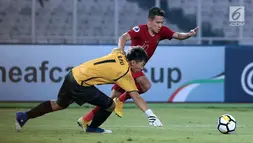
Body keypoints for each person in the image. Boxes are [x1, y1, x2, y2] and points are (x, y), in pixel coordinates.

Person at [81, 7, 198, 123]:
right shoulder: (140, 29)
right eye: (157, 22)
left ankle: (85, 119)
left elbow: (178, 36)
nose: (160, 25)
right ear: (150, 21)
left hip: (137, 68)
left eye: (161, 23)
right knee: (145, 85)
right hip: (129, 66)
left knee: (110, 100)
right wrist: (121, 52)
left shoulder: (162, 31)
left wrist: (189, 34)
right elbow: (123, 37)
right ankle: (120, 101)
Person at [15, 47, 163, 134]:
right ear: (132, 62)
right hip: (81, 84)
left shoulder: (118, 53)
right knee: (111, 105)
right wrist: (150, 115)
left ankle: (24, 116)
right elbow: (136, 96)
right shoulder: (124, 73)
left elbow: (120, 45)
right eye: (141, 65)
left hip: (72, 74)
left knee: (59, 104)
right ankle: (92, 128)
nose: (142, 68)